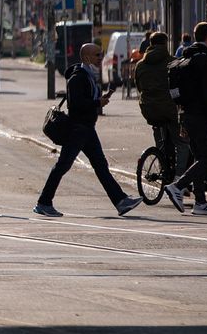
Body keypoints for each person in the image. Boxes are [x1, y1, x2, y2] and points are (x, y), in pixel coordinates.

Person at [34, 42, 143, 218]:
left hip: (87, 129)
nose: (101, 58)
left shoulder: (89, 75)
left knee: (101, 166)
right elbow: (75, 104)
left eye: (101, 54)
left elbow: (87, 99)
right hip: (77, 129)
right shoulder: (78, 77)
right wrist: (97, 103)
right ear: (86, 57)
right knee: (63, 165)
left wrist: (99, 100)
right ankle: (44, 202)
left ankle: (121, 201)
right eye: (97, 55)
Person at [163, 22, 207, 217]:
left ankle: (200, 202)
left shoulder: (185, 58)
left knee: (198, 157)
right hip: (200, 115)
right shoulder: (206, 61)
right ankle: (177, 186)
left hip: (186, 114)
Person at [134, 31, 179, 178]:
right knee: (182, 143)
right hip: (170, 109)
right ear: (166, 44)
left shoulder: (140, 65)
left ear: (150, 44)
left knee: (159, 134)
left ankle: (162, 165)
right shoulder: (173, 62)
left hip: (149, 109)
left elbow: (139, 87)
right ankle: (179, 177)